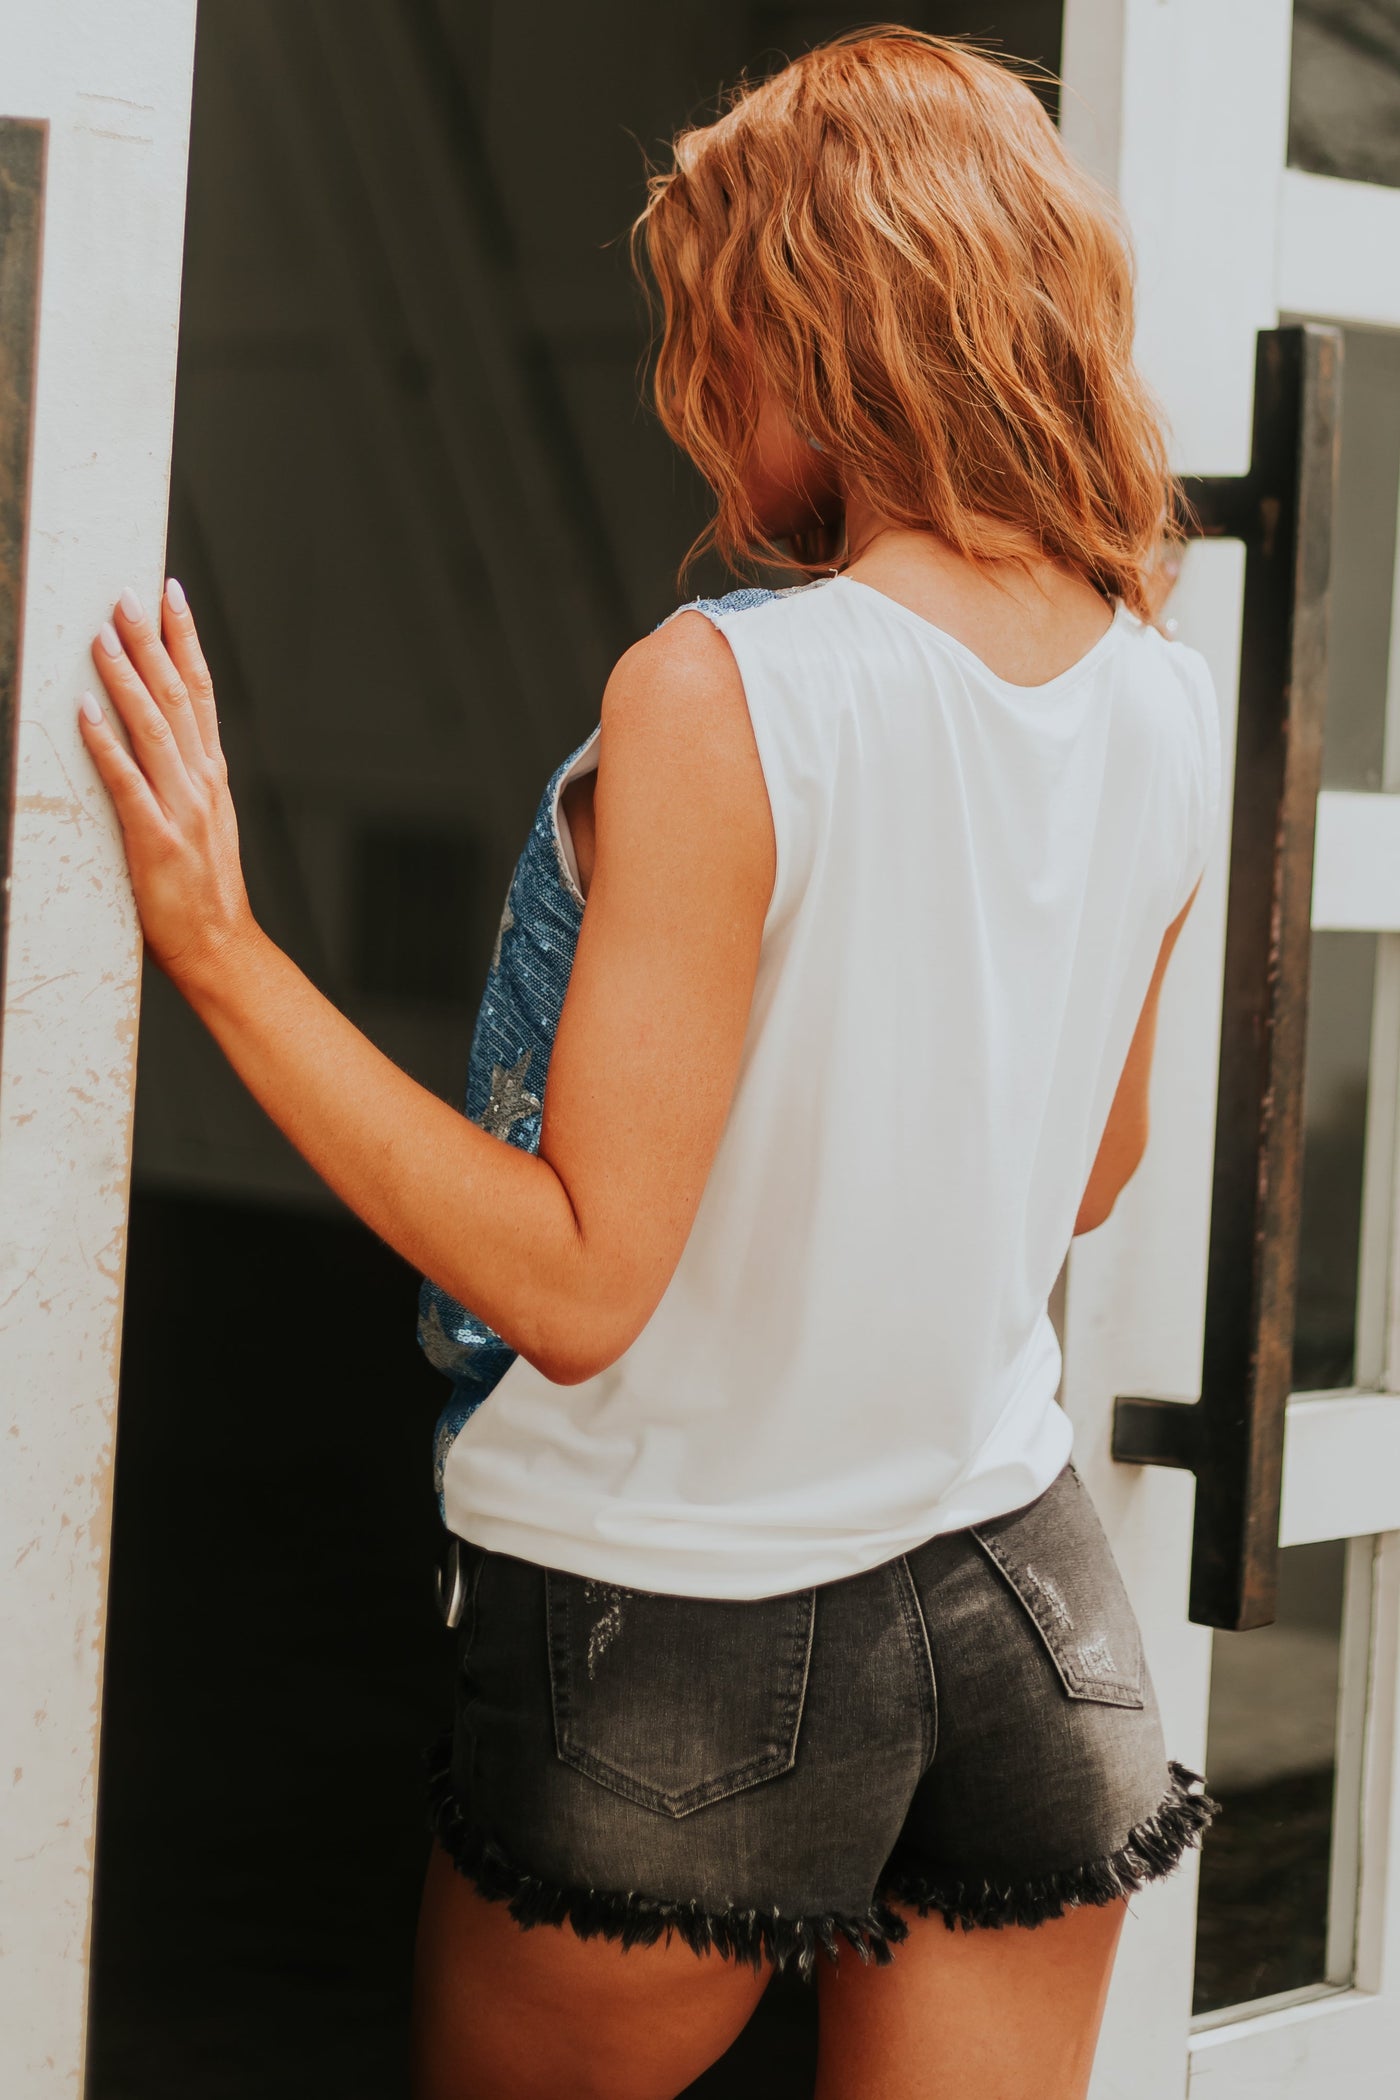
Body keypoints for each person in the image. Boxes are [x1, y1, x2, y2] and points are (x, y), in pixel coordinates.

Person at [79, 27, 1222, 2100]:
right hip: (1024, 1609)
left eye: (724, 342)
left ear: (829, 320)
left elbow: (577, 1286)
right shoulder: (1159, 689)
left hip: (686, 1617)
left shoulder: (727, 689)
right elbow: (1087, 1175)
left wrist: (218, 950)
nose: (704, 401)